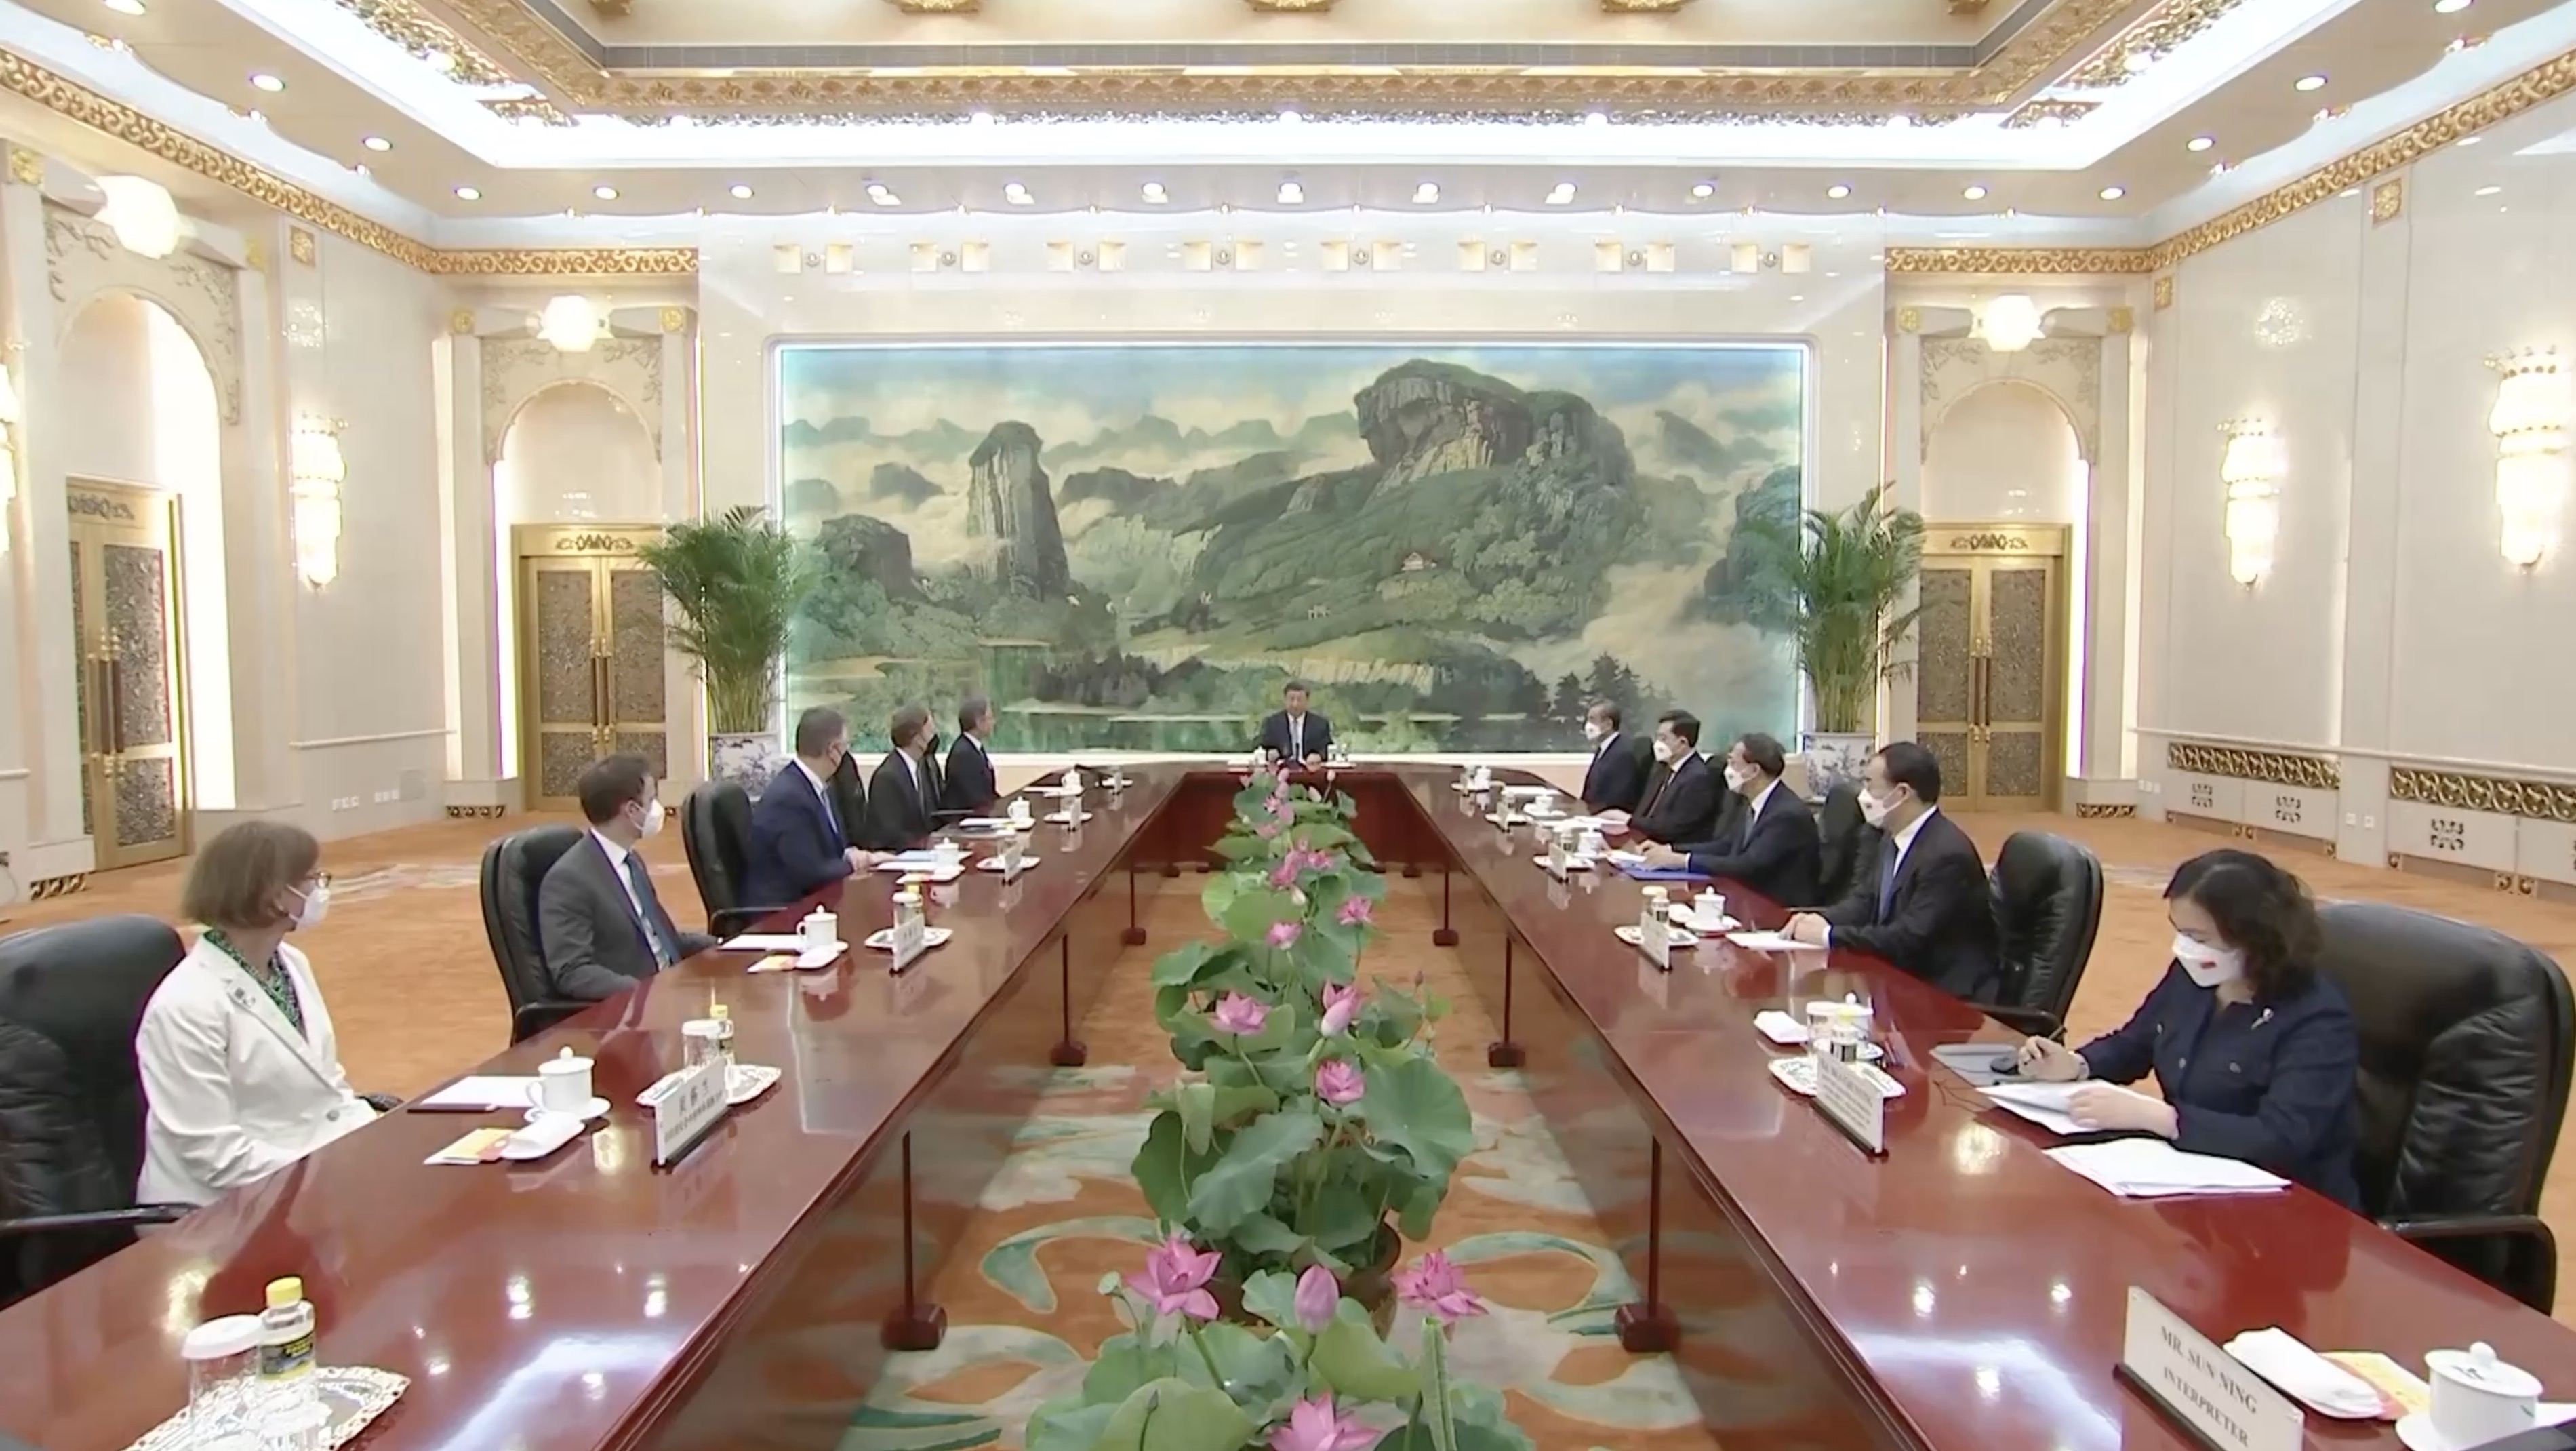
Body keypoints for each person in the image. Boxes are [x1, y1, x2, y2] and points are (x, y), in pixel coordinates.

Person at [2015, 850, 2361, 1207]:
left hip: (2290, 1206)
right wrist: (2076, 1065)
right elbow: (2135, 1043)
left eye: (2199, 936)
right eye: (2180, 931)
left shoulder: (2317, 1019)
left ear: (2254, 936)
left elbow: (2282, 1136)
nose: (2185, 949)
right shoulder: (2195, 976)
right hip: (2194, 1179)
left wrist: (2167, 1120)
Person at [136, 822, 377, 1206]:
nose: (320, 889)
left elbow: (329, 1086)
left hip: (296, 1176)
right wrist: (328, 1174)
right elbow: (216, 1157)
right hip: (213, 1212)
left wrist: (376, 1143)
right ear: (273, 896)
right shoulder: (186, 1006)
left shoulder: (290, 963)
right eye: (311, 878)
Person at [1784, 741, 1998, 998]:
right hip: (1898, 978)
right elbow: (1865, 901)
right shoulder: (1890, 837)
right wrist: (1822, 919)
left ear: (1902, 793)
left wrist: (1830, 935)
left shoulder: (1946, 854)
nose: (1863, 795)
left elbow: (1909, 937)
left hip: (1940, 993)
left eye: (1870, 784)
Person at [539, 753, 715, 1000]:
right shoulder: (569, 880)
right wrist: (642, 992)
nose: (657, 809)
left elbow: (660, 935)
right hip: (636, 1010)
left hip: (675, 987)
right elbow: (572, 971)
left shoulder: (631, 861)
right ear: (632, 810)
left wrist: (727, 945)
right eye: (652, 799)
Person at [1641, 732, 1820, 907]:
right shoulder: (1751, 802)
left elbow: (1749, 865)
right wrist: (1671, 850)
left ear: (1754, 770)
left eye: (1733, 763)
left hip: (1774, 908)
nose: (1728, 770)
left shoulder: (1786, 814)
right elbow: (1726, 845)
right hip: (1746, 897)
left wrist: (1682, 861)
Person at [744, 706, 883, 905]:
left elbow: (828, 850)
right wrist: (857, 863)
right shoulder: (789, 798)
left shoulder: (818, 787)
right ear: (833, 751)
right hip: (783, 914)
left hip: (815, 903)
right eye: (845, 746)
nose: (845, 754)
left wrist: (853, 854)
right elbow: (811, 873)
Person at [1606, 711, 1720, 846]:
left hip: (1669, 850)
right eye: (1658, 737)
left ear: (1682, 743)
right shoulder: (1661, 768)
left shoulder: (1699, 778)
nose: (1657, 744)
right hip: (1640, 841)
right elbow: (1644, 811)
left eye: (1663, 738)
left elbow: (1672, 827)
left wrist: (1628, 819)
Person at [864, 702, 940, 850]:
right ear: (917, 737)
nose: (934, 735)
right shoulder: (887, 777)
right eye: (930, 730)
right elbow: (890, 834)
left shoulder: (923, 769)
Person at [1578, 701, 1647, 814]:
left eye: (1592, 719)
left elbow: (1617, 798)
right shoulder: (1604, 748)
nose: (1588, 725)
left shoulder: (1623, 753)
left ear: (1609, 725)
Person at [944, 695, 999, 817]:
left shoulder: (975, 748)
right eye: (990, 718)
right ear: (979, 722)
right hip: (967, 822)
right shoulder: (963, 754)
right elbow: (975, 798)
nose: (993, 722)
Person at [1257, 681, 1333, 767]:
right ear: (1285, 700)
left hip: (1309, 773)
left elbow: (1327, 750)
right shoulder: (1272, 723)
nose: (1295, 704)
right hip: (1281, 772)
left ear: (1307, 701)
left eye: (1299, 700)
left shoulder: (1320, 724)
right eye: (1291, 699)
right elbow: (1262, 748)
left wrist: (1319, 756)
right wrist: (1269, 754)